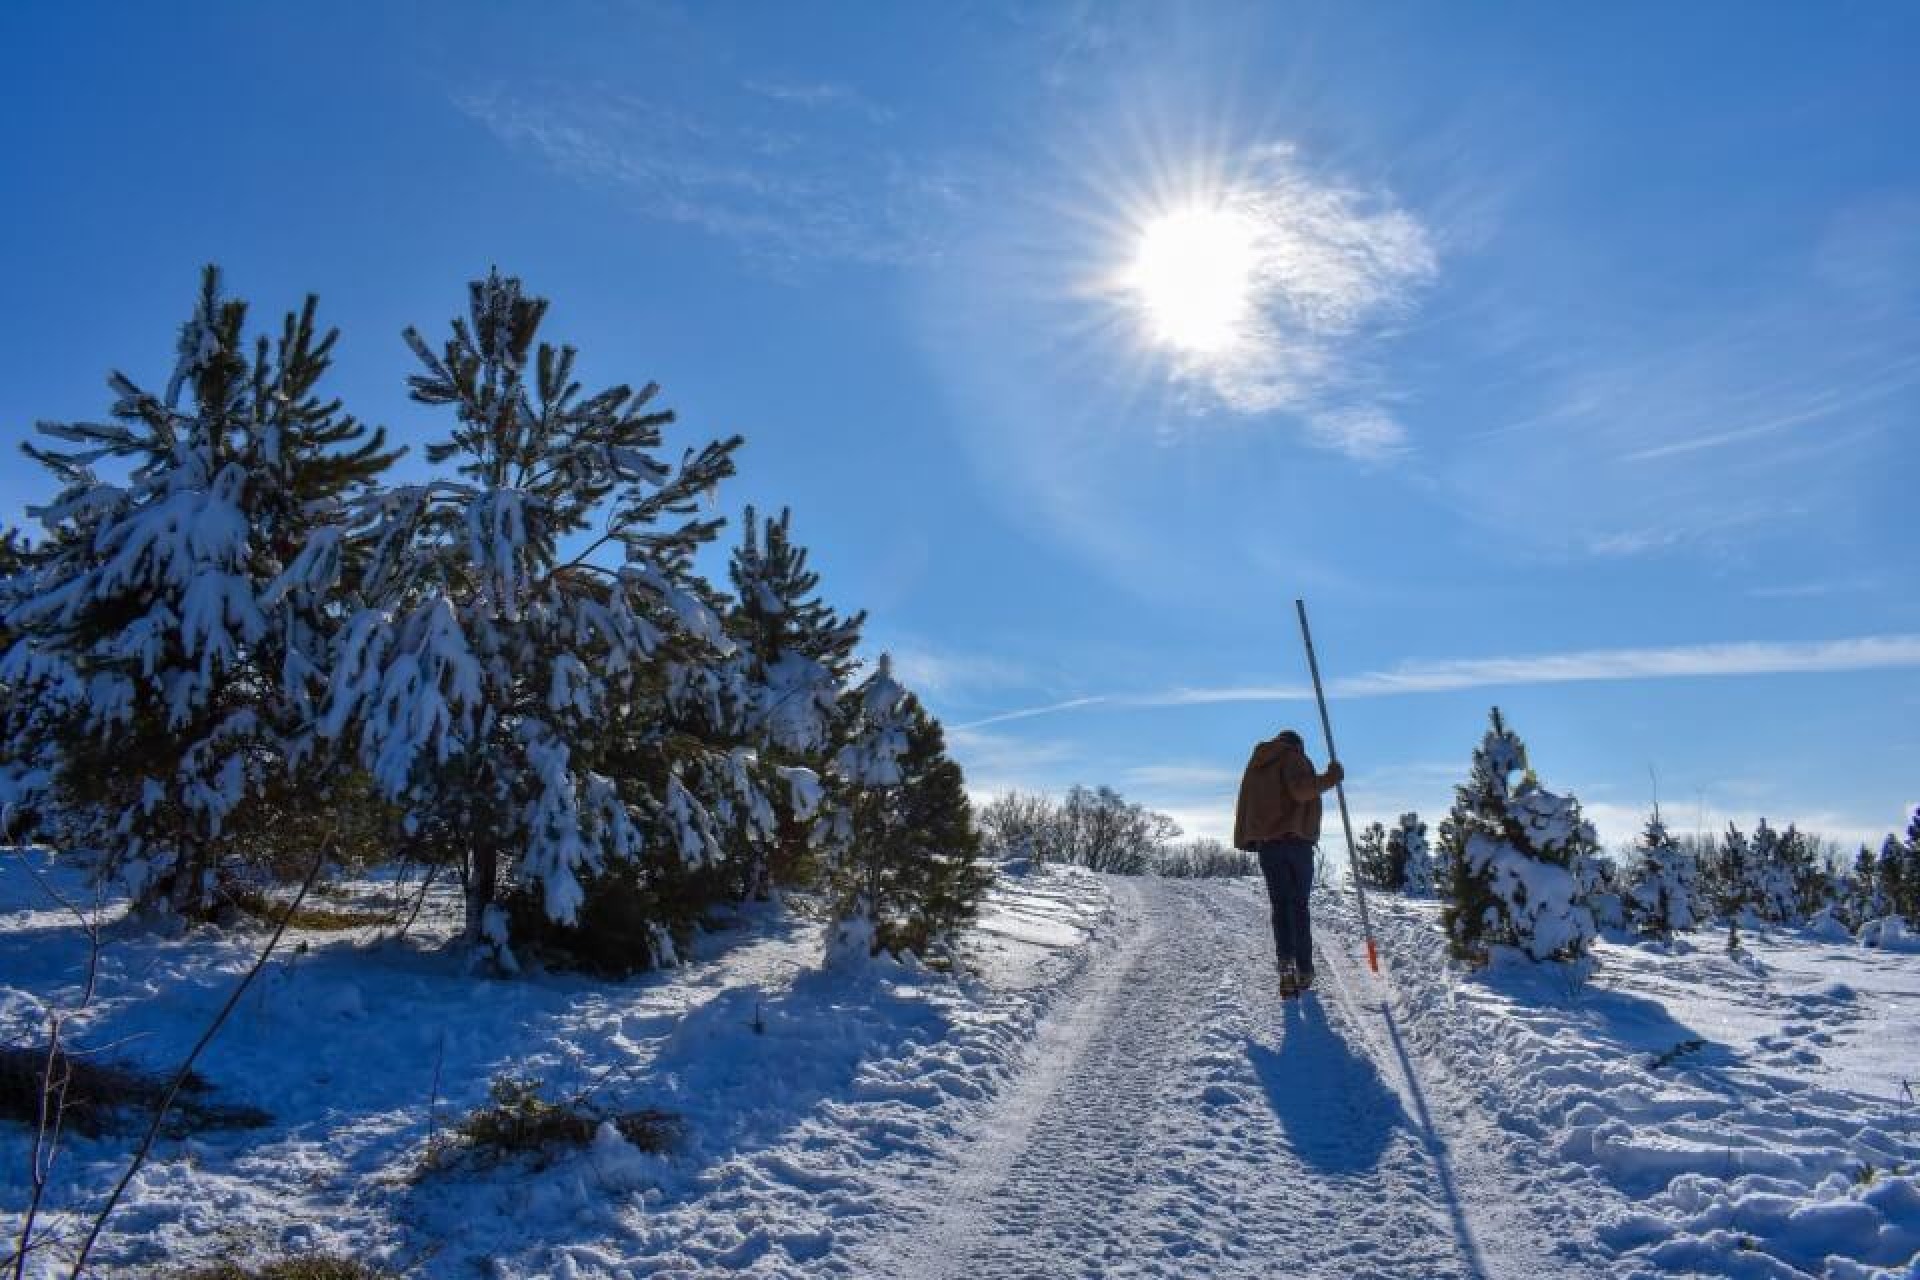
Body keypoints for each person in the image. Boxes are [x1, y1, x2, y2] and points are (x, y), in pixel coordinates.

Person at [1233, 729, 1344, 994]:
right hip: (1295, 844)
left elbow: (1245, 804)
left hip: (1269, 846)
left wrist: (1248, 838)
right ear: (1298, 745)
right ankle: (1304, 969)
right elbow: (1300, 790)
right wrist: (1331, 777)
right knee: (1298, 907)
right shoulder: (1291, 756)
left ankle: (1286, 963)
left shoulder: (1257, 764)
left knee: (1281, 906)